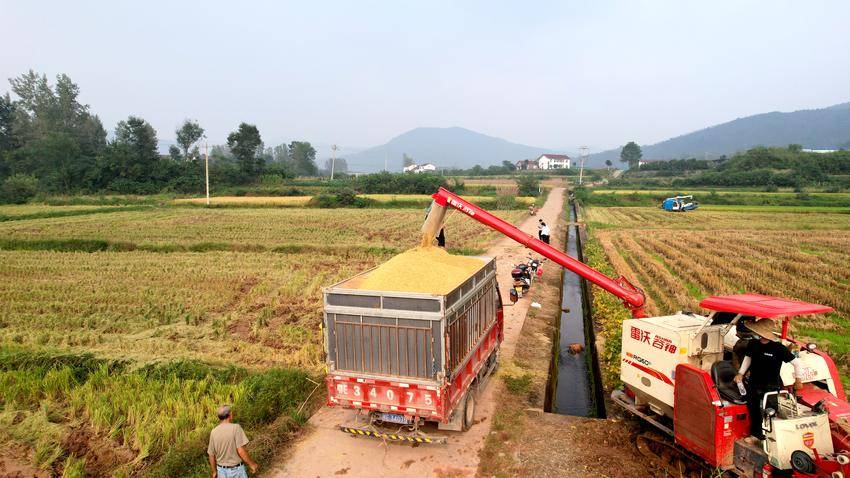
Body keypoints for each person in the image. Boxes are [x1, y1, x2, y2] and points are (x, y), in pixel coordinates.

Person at [733, 319, 804, 443]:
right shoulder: (753, 344)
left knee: (770, 410)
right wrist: (740, 373)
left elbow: (797, 363)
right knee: (753, 409)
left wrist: (798, 380)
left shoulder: (779, 348)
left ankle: (770, 437)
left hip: (771, 385)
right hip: (754, 383)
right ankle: (756, 436)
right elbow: (748, 358)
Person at [208, 405, 258, 478]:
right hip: (236, 471)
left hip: (221, 472)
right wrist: (251, 464)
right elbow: (240, 450)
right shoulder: (236, 428)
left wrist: (214, 471)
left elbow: (211, 455)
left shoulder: (213, 432)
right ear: (230, 415)